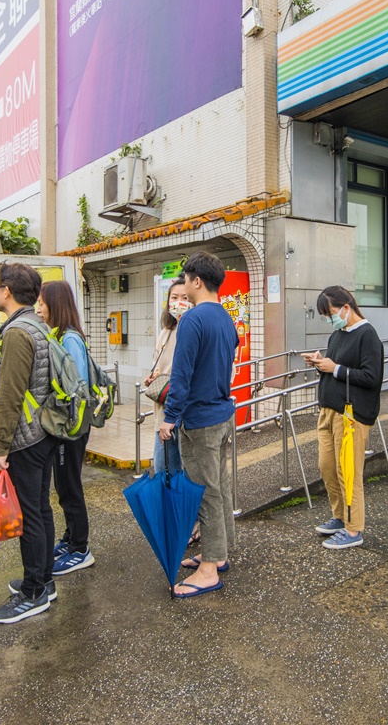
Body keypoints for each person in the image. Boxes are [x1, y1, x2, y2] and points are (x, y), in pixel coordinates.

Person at [158, 251, 239, 598]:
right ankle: (217, 553)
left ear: (197, 281)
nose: (184, 288)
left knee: (204, 492)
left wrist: (169, 417)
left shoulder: (192, 320)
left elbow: (182, 375)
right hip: (223, 413)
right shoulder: (226, 318)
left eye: (186, 280)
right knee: (219, 486)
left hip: (200, 420)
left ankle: (208, 570)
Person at [0, 262, 60, 624]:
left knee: (30, 514)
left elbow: (10, 395)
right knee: (41, 509)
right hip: (43, 433)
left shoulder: (17, 333)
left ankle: (33, 593)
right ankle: (44, 580)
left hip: (25, 438)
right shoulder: (38, 325)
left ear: (8, 291)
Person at [303, 286, 384, 549]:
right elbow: (337, 368)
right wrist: (321, 363)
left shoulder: (368, 335)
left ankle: (353, 529)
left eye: (331, 313)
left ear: (346, 308)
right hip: (329, 409)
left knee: (348, 471)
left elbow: (372, 378)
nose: (330, 319)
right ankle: (340, 516)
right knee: (327, 468)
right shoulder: (339, 333)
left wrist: (334, 368)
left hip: (351, 414)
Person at [36, 280, 95, 575]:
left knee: (69, 486)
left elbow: (76, 387)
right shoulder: (60, 335)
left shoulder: (69, 339)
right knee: (63, 485)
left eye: (42, 304)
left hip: (71, 427)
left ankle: (81, 547)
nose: (38, 309)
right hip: (66, 425)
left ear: (55, 305)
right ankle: (71, 537)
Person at [144, 277, 190, 474]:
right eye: (174, 297)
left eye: (184, 297)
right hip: (164, 407)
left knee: (180, 467)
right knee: (164, 467)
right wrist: (153, 377)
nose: (178, 302)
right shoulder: (166, 331)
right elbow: (160, 364)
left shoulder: (191, 329)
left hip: (181, 408)